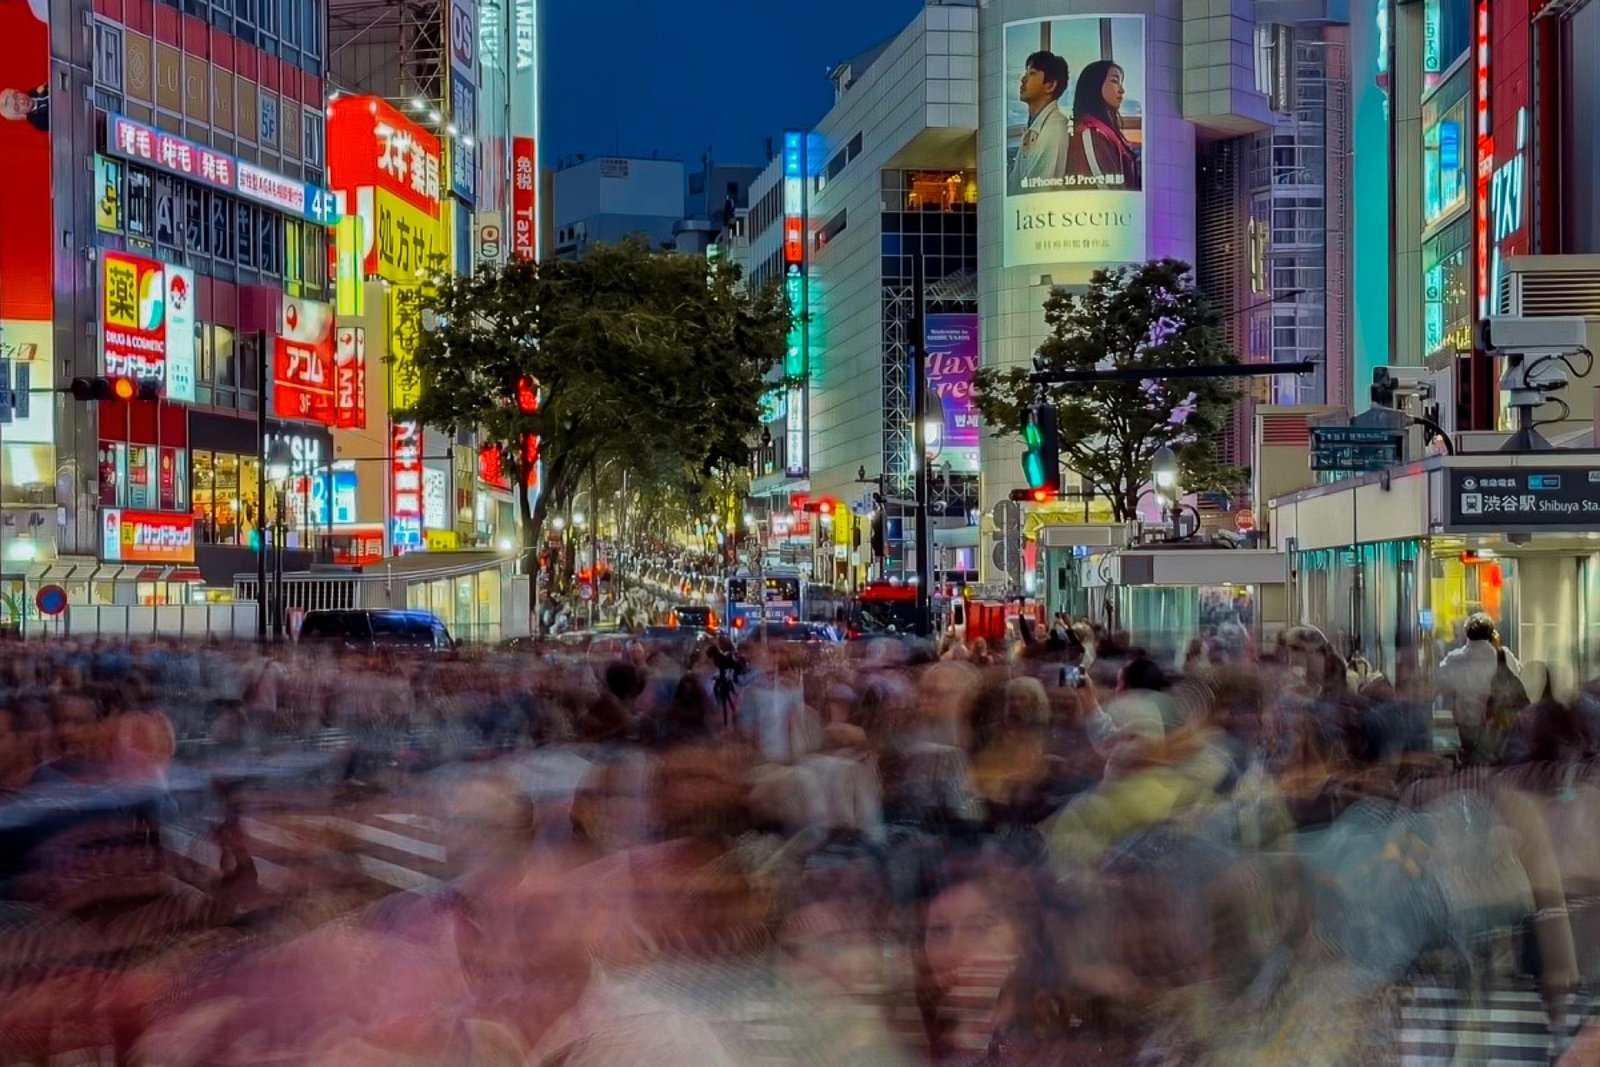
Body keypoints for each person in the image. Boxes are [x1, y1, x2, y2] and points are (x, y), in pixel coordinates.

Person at [1437, 611, 1524, 761]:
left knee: (1470, 758)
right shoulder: (1503, 655)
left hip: (1465, 722)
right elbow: (1518, 676)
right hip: (1495, 722)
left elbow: (1439, 684)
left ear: (1467, 633)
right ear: (1491, 634)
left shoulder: (1454, 659)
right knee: (1494, 759)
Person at [1064, 59, 1140, 190]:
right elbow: (1105, 187)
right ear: (1095, 85)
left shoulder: (1105, 130)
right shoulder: (1090, 132)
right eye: (1114, 81)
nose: (1121, 90)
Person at [1007, 50, 1072, 194]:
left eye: (1032, 73)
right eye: (1026, 72)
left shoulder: (1056, 127)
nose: (1023, 79)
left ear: (1050, 86)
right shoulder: (1034, 126)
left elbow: (1037, 191)